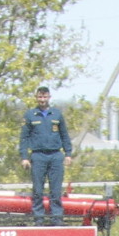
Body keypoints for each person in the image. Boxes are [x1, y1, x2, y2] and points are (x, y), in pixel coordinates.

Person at [21, 86, 71, 220]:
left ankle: (57, 219)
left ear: (49, 97)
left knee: (56, 190)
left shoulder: (56, 114)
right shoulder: (30, 115)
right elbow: (24, 138)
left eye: (45, 97)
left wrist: (68, 154)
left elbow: (64, 135)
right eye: (40, 97)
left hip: (55, 155)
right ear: (36, 98)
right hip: (38, 156)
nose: (42, 100)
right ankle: (39, 219)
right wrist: (24, 157)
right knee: (37, 190)